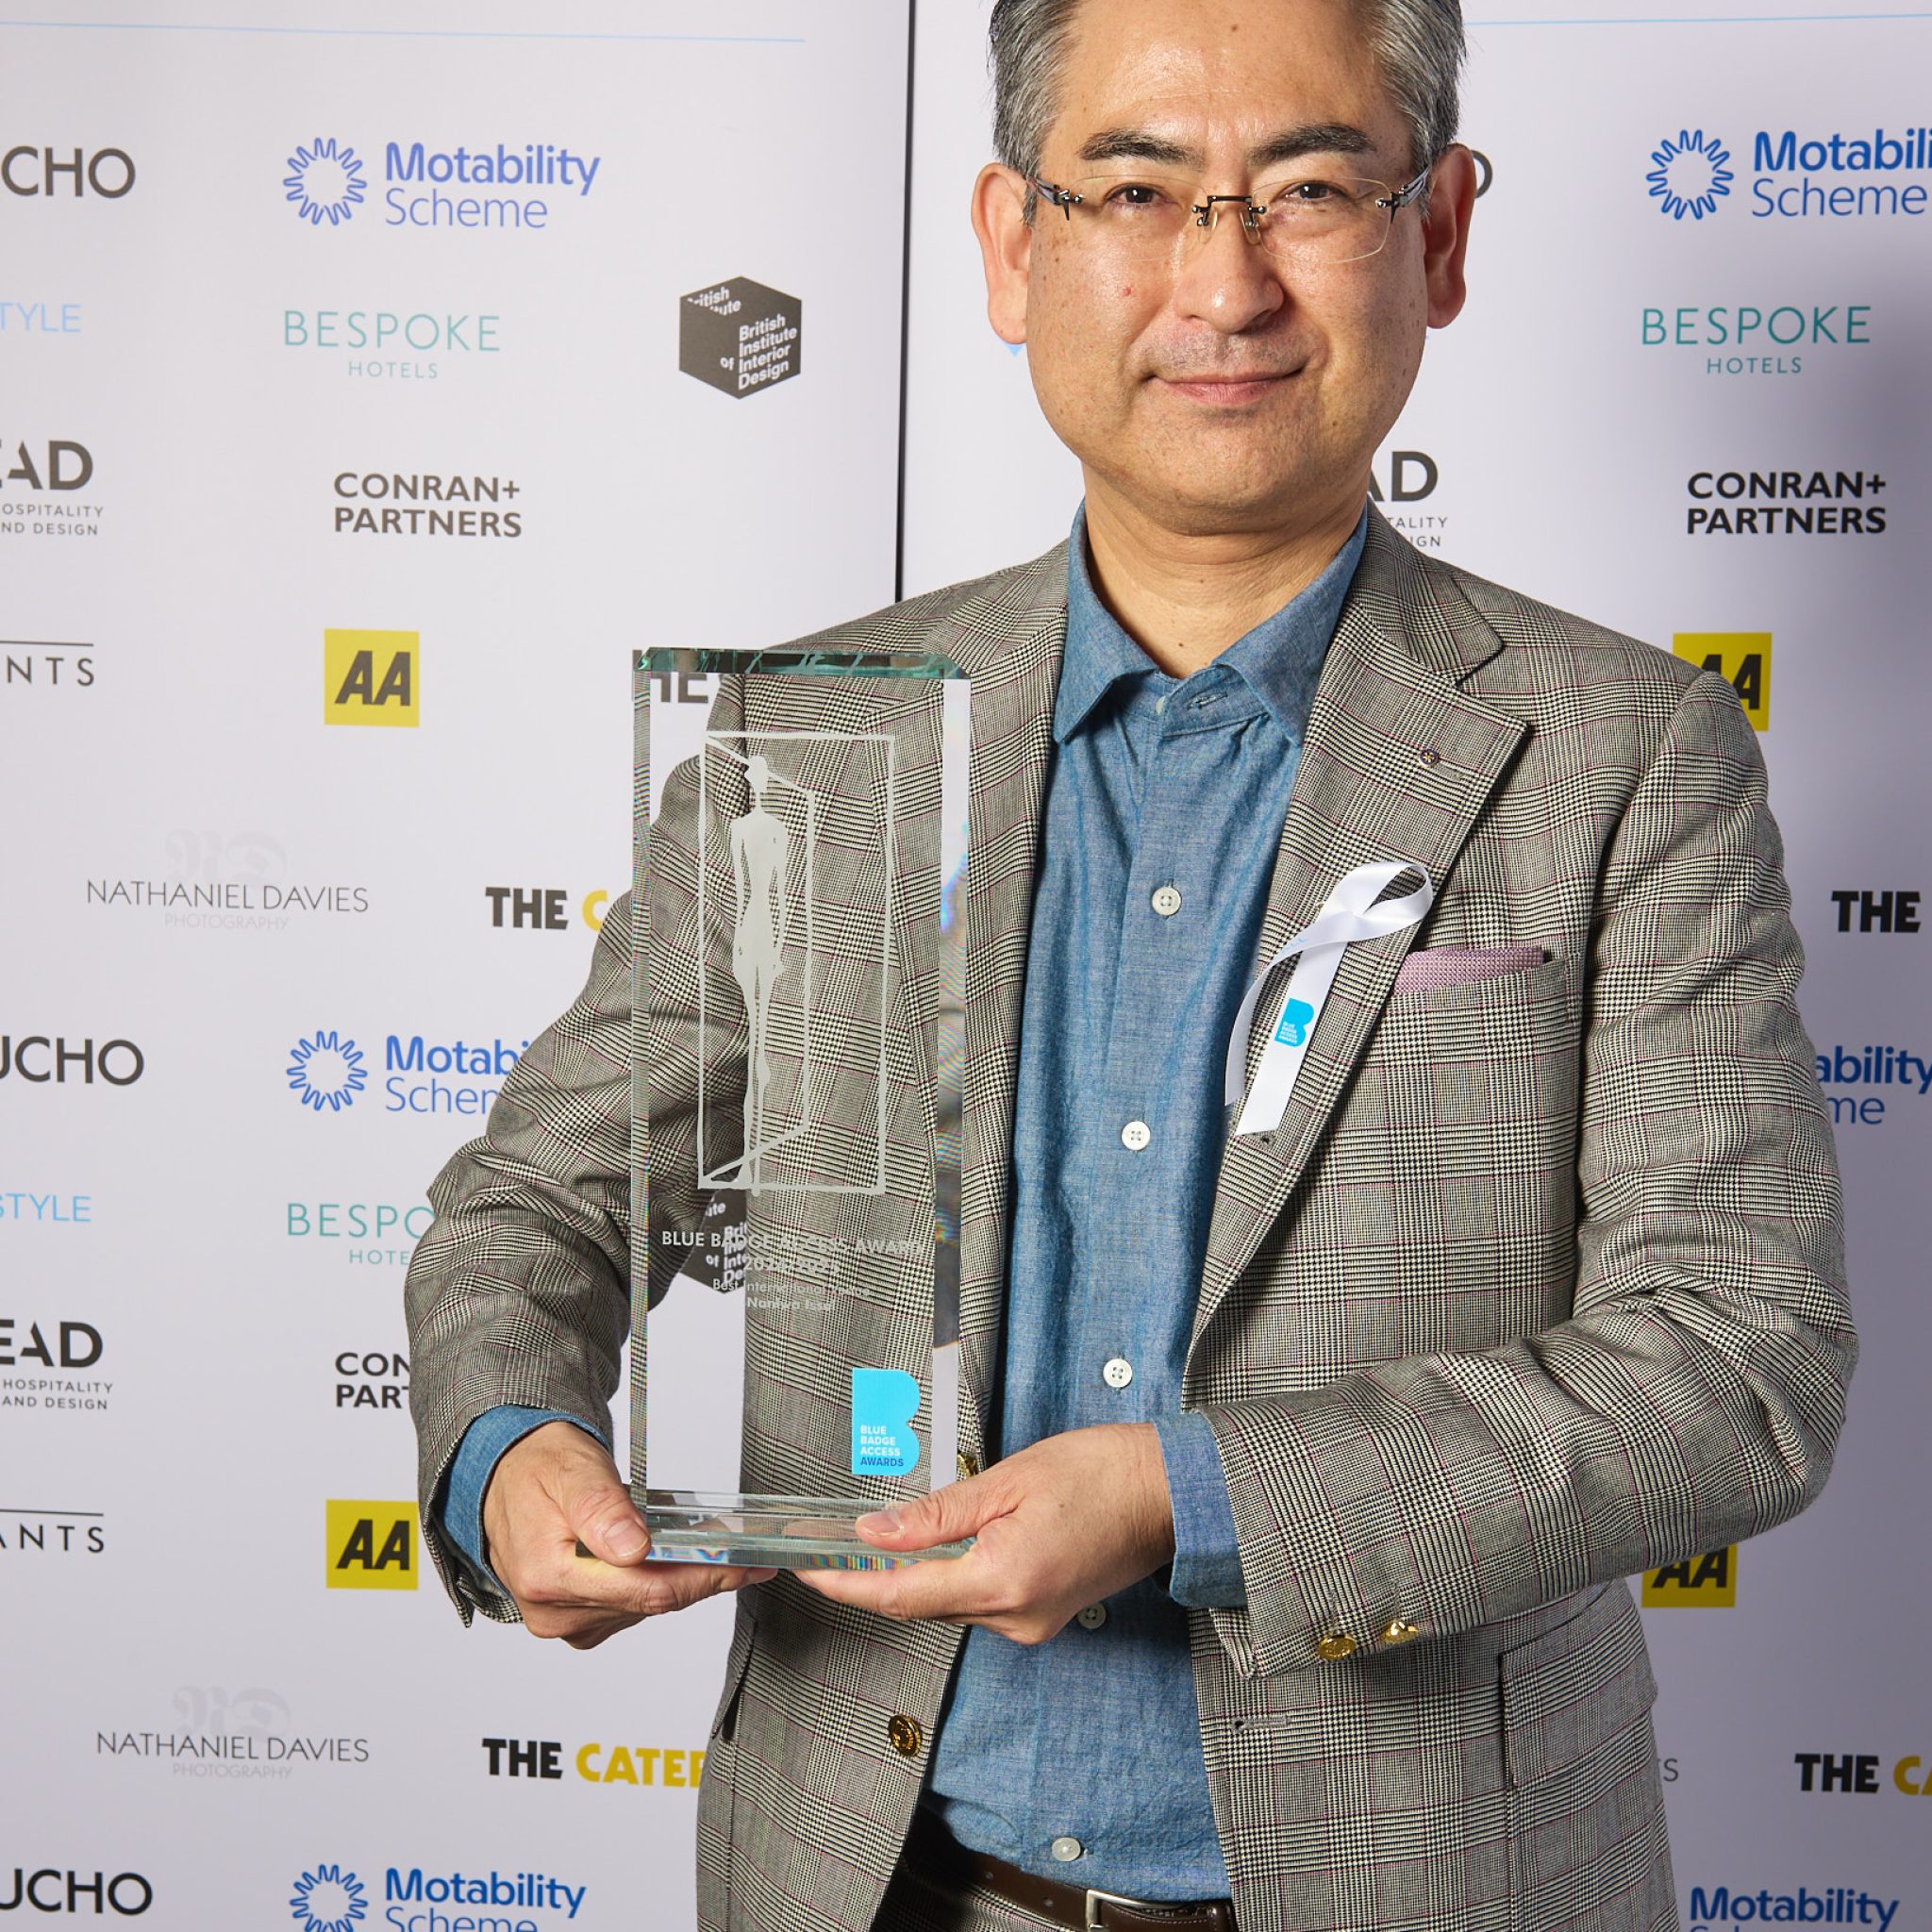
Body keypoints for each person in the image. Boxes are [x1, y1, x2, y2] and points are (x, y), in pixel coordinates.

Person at [404, 1, 1855, 1927]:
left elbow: (1732, 1363)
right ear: (1014, 245)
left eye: (1312, 186)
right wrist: (509, 1450)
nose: (1223, 279)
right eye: (1139, 190)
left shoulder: (1623, 758)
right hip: (876, 1876)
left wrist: (1195, 1498)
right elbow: (527, 1207)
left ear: (1439, 235)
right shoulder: (809, 739)